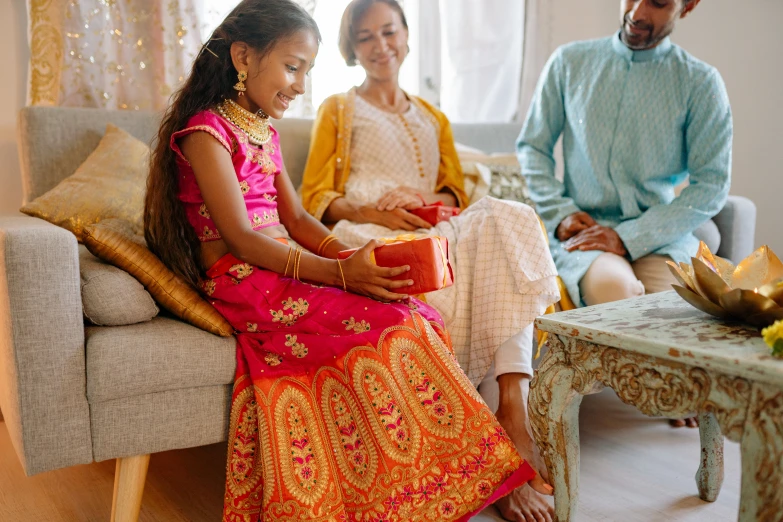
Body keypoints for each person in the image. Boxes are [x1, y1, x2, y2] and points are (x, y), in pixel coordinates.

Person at [144, 1, 552, 520]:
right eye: (293, 67)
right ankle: (419, 487)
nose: (299, 84)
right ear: (243, 56)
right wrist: (341, 275)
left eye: (307, 71)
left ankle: (429, 480)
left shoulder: (261, 129)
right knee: (395, 321)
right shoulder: (206, 132)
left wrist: (352, 255)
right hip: (243, 278)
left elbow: (297, 221)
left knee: (419, 311)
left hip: (279, 265)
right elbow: (243, 239)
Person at [300, 1, 560, 519]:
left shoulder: (433, 116)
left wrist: (425, 206)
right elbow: (314, 197)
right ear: (353, 48)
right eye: (366, 37)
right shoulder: (337, 107)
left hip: (433, 226)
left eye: (389, 32)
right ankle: (498, 460)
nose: (380, 45)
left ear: (406, 36)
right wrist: (375, 209)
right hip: (366, 229)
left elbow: (454, 194)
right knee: (443, 282)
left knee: (506, 219)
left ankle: (513, 412)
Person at [517, 0, 732, 428]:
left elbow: (712, 184)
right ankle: (667, 387)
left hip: (660, 234)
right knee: (617, 294)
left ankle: (677, 385)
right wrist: (561, 212)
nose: (636, 11)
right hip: (585, 235)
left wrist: (630, 237)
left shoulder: (700, 82)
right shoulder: (569, 62)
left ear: (687, 6)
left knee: (681, 310)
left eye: (657, 3)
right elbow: (533, 148)